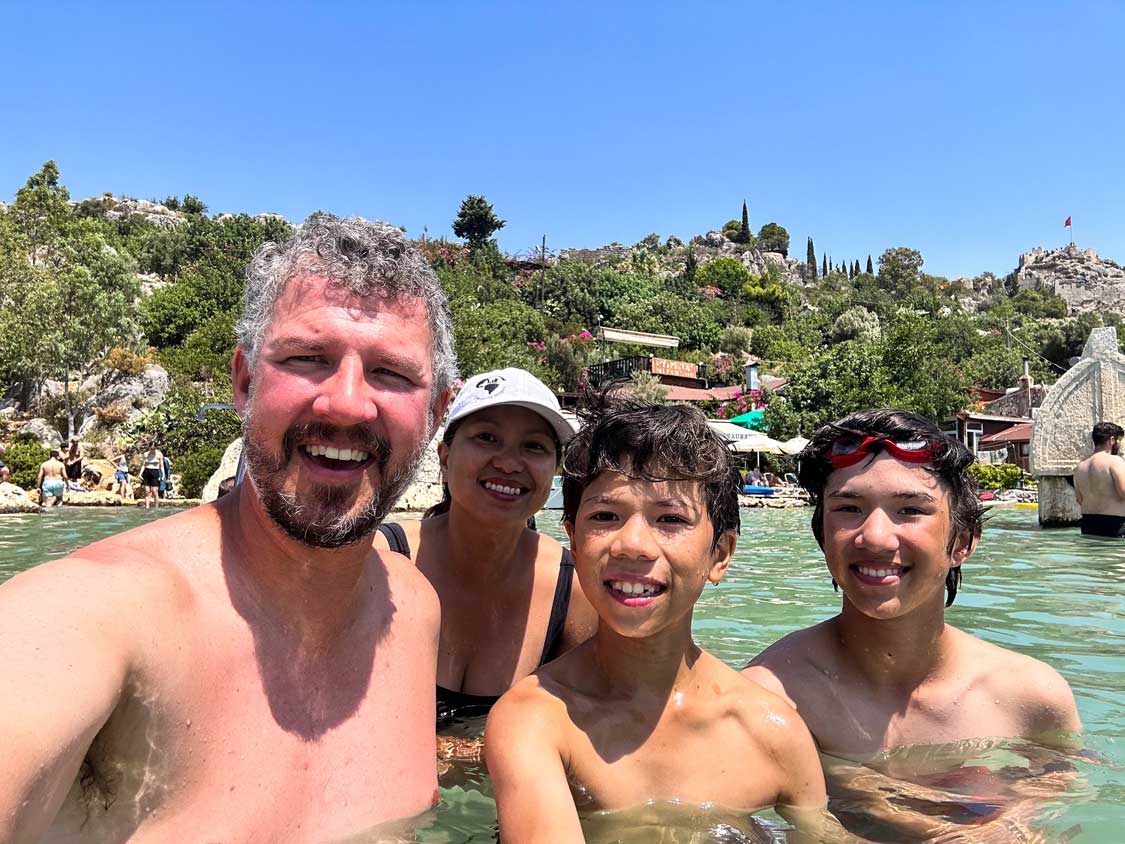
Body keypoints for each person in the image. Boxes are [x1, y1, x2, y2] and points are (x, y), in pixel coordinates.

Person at [0, 216, 457, 842]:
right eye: (307, 359)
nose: (347, 403)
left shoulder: (416, 610)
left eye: (392, 373)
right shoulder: (93, 614)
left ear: (435, 412)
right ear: (244, 382)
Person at [485, 392, 827, 843]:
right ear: (573, 540)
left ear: (719, 555)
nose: (633, 545)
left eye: (669, 519)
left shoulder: (774, 732)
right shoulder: (536, 721)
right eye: (605, 516)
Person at [743, 409, 1081, 839]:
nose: (876, 537)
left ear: (963, 541)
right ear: (822, 536)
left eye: (909, 509)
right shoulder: (767, 699)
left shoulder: (1031, 697)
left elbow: (1059, 806)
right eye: (848, 508)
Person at [374, 368, 597, 728]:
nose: (509, 463)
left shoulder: (574, 592)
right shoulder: (381, 559)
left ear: (553, 469)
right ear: (445, 457)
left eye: (534, 446)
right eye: (487, 437)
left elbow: (575, 732)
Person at [1073, 421, 1125, 537]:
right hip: (1114, 526)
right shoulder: (1115, 461)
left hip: (1088, 526)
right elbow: (1123, 492)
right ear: (1112, 440)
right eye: (1119, 441)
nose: (1119, 445)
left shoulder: (1080, 467)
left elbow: (1080, 500)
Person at [140, 444, 165, 508]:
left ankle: (156, 507)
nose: (152, 450)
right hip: (147, 471)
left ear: (156, 448)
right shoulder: (146, 454)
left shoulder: (159, 454)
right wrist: (140, 473)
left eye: (154, 448)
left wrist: (163, 474)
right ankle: (147, 507)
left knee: (154, 491)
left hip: (155, 472)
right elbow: (143, 465)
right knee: (147, 491)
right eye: (151, 448)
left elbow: (161, 466)